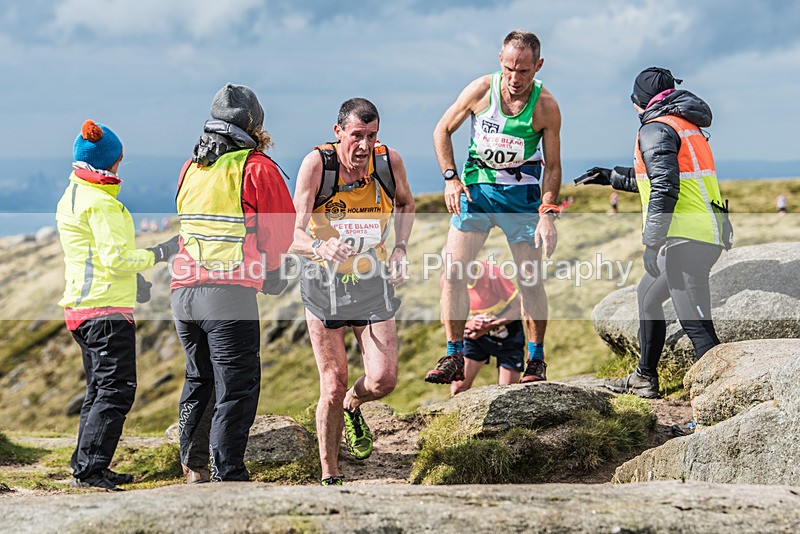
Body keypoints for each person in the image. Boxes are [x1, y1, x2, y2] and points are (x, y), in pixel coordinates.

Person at [170, 83, 295, 482]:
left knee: (199, 378)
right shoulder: (256, 167)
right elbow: (281, 232)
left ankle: (194, 467)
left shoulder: (191, 167)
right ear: (254, 123)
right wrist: (272, 273)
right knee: (237, 386)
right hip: (226, 296)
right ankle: (229, 473)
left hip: (182, 294)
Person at [579, 67, 729, 398]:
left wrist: (652, 241)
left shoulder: (655, 129)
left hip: (688, 241)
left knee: (698, 329)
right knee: (647, 296)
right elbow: (658, 178)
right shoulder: (683, 124)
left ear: (641, 101)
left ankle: (722, 407)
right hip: (700, 234)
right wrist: (612, 176)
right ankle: (644, 378)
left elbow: (664, 188)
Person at [289, 98, 414, 486]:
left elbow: (406, 203)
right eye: (357, 135)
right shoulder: (318, 166)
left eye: (372, 136)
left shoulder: (387, 162)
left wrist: (400, 248)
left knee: (383, 380)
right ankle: (331, 474)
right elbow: (290, 233)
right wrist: (318, 246)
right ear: (338, 131)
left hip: (372, 281)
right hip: (323, 285)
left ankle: (353, 405)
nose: (364, 146)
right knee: (333, 380)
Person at [427, 30, 562, 385]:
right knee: (453, 269)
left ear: (538, 66)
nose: (515, 79)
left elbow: (555, 166)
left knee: (529, 280)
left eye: (524, 71)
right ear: (500, 61)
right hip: (478, 194)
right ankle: (454, 353)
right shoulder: (481, 90)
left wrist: (547, 215)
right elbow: (442, 130)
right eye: (510, 69)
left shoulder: (545, 105)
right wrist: (450, 177)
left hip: (522, 201)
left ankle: (535, 360)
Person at [56, 120, 179, 491]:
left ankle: (88, 464)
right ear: (110, 161)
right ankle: (91, 471)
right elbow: (115, 259)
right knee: (116, 389)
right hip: (105, 311)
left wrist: (134, 283)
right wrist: (160, 252)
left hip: (83, 307)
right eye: (119, 160)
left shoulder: (73, 195)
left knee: (98, 389)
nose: (120, 166)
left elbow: (94, 256)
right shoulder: (101, 205)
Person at [446, 260, 525, 396]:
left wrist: (490, 325)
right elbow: (445, 317)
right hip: (475, 335)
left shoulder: (491, 273)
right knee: (458, 389)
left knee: (507, 394)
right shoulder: (447, 281)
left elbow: (519, 307)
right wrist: (467, 324)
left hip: (507, 332)